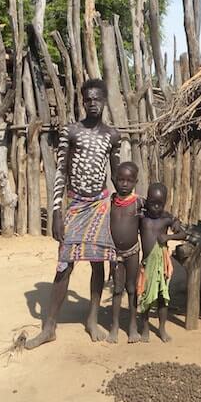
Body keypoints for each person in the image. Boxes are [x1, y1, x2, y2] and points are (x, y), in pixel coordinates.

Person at [25, 79, 121, 349]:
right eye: (88, 99)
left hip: (100, 204)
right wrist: (57, 211)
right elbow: (61, 171)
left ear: (104, 100)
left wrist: (126, 205)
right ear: (82, 101)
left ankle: (92, 318)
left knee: (97, 261)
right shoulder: (71, 131)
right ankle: (49, 326)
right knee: (64, 262)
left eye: (97, 99)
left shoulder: (113, 136)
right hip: (76, 204)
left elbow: (117, 173)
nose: (92, 104)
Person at [137, 182, 186, 343]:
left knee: (161, 298)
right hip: (146, 264)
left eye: (160, 204)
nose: (156, 207)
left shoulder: (166, 219)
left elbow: (183, 234)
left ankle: (162, 328)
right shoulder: (142, 218)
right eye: (152, 203)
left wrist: (169, 237)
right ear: (147, 201)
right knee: (145, 297)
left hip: (161, 266)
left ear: (165, 203)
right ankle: (145, 329)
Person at [108, 161, 143, 344]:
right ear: (115, 180)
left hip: (133, 252)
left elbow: (152, 221)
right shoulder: (111, 201)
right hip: (115, 253)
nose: (124, 184)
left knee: (131, 289)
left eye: (128, 180)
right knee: (117, 289)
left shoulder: (139, 203)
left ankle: (132, 326)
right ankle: (114, 326)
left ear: (135, 181)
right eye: (120, 179)